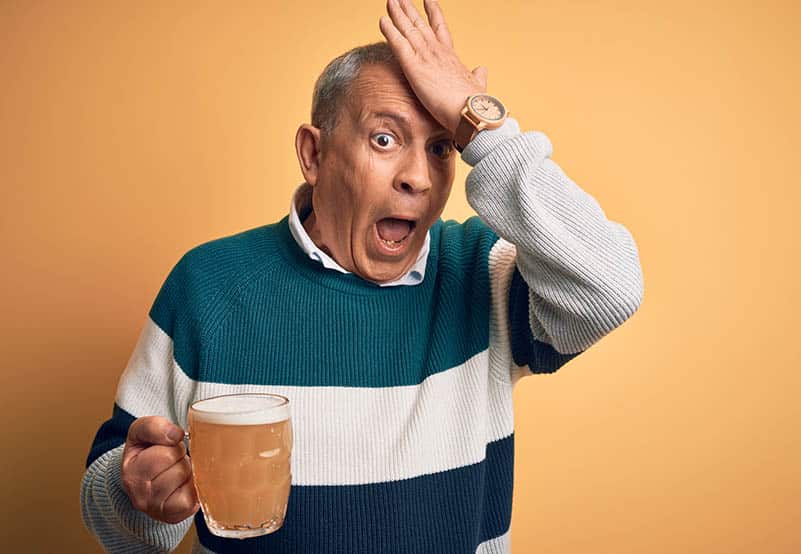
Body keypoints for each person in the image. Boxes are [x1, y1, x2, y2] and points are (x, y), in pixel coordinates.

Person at [80, 0, 644, 552]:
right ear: (314, 154)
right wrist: (138, 495)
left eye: (442, 146)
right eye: (384, 138)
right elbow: (119, 517)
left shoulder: (483, 272)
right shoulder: (208, 286)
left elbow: (611, 286)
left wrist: (479, 119)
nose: (419, 178)